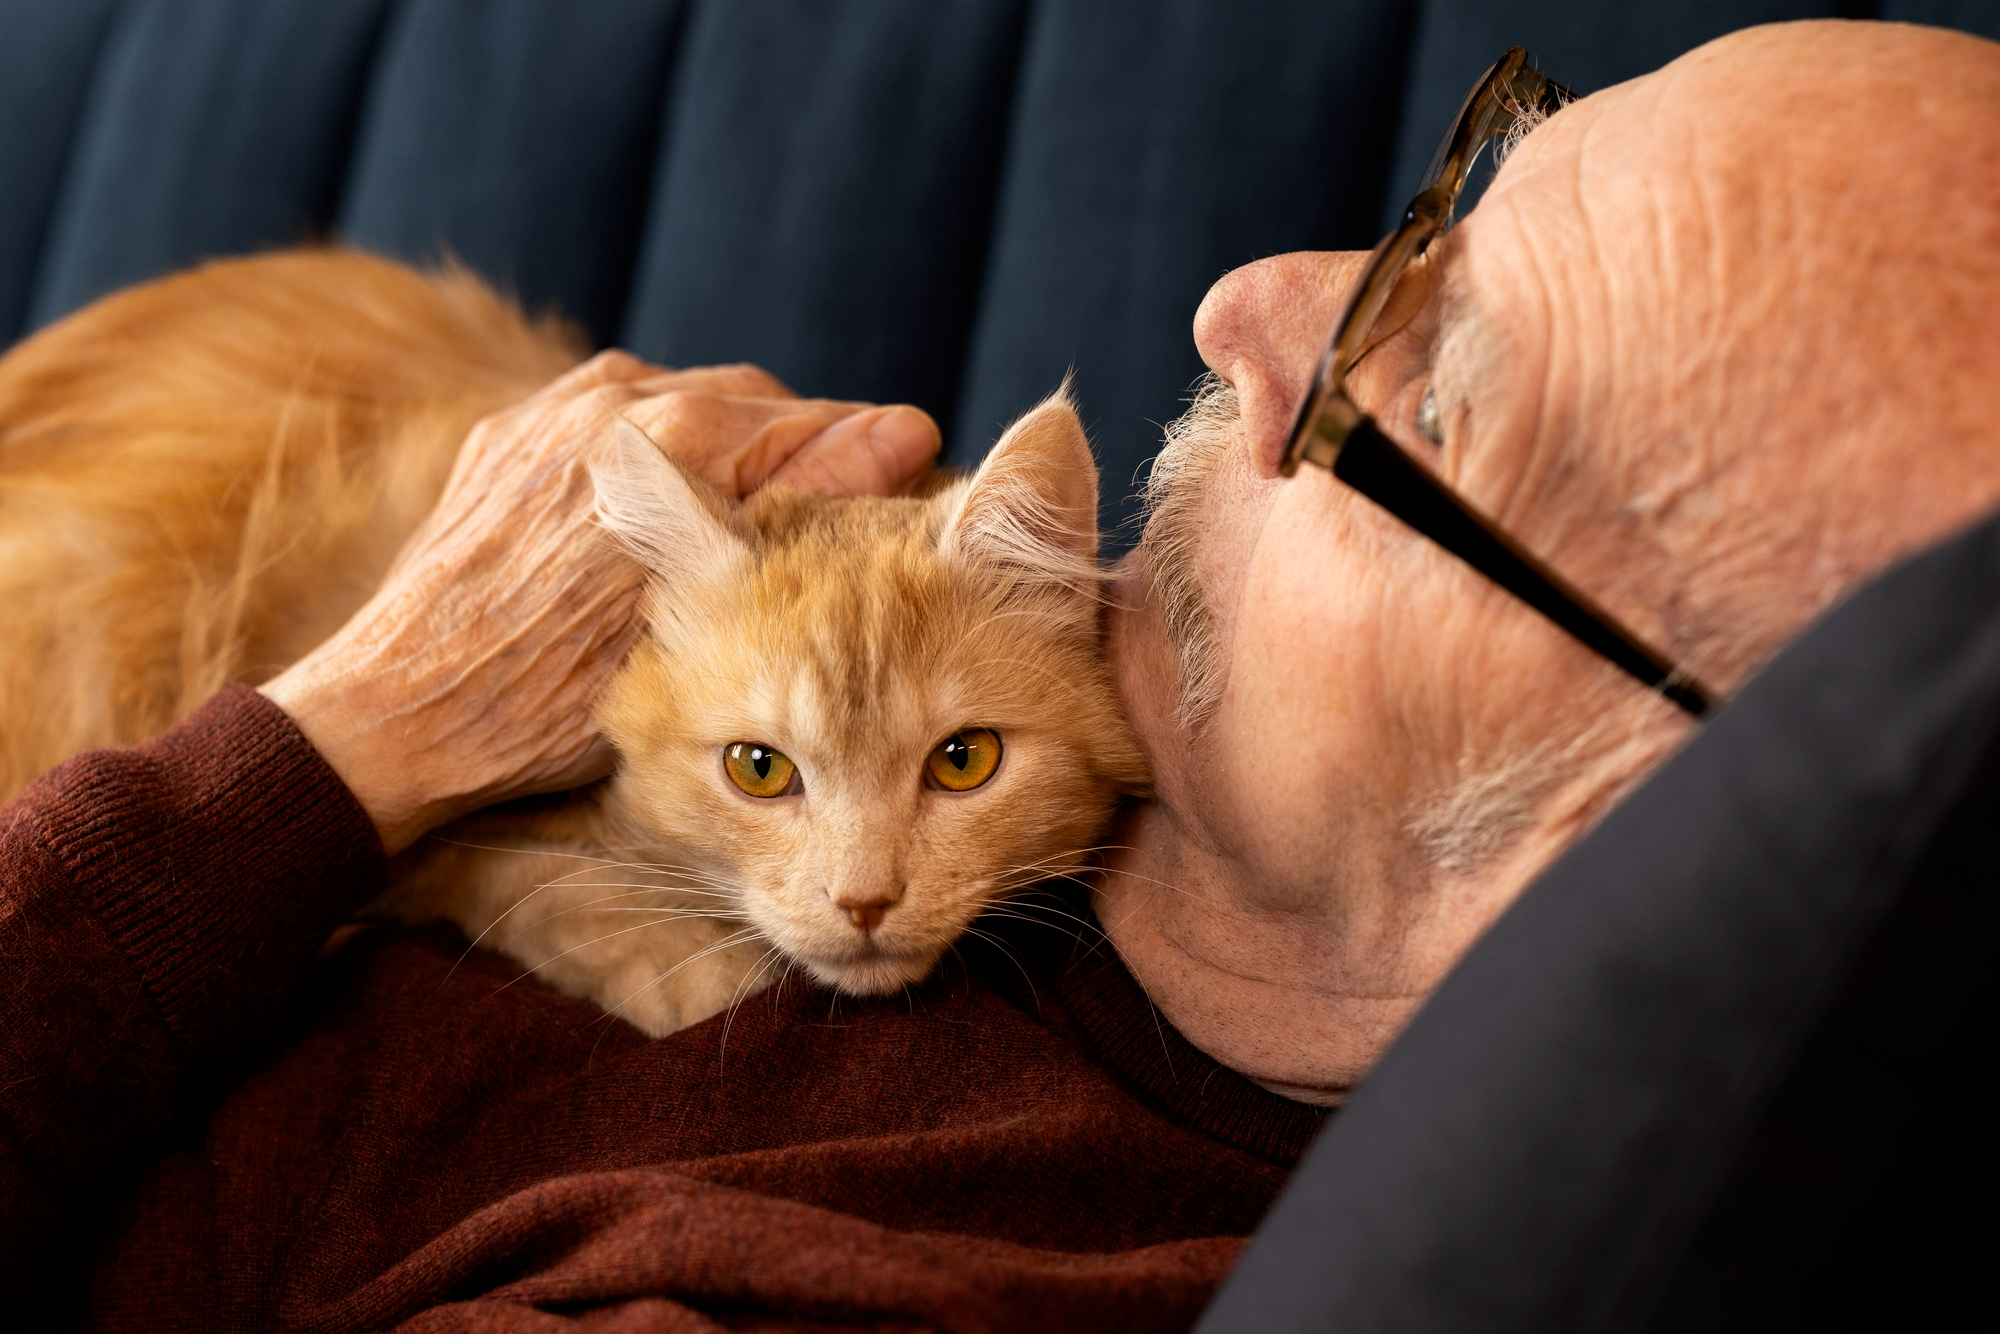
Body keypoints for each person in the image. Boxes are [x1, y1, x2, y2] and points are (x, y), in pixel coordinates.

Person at [3, 18, 1997, 1328]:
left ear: (1647, 805)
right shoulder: (879, 617)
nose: (1247, 302)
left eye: (1438, 382)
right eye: (1434, 210)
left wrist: (301, 773)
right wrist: (358, 733)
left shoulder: (941, 1269)